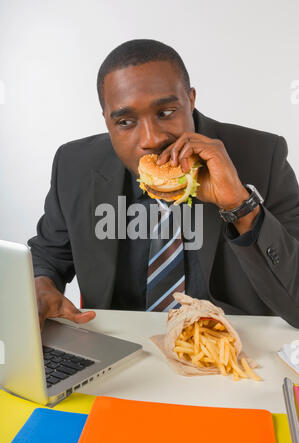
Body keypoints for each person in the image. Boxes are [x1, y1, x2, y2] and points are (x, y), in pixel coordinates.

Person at [28, 39, 299, 330]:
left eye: (166, 112)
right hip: (118, 348)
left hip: (233, 354)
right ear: (106, 120)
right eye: (125, 122)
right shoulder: (74, 164)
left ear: (190, 100)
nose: (151, 139)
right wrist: (41, 285)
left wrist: (240, 205)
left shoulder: (262, 156)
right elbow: (49, 254)